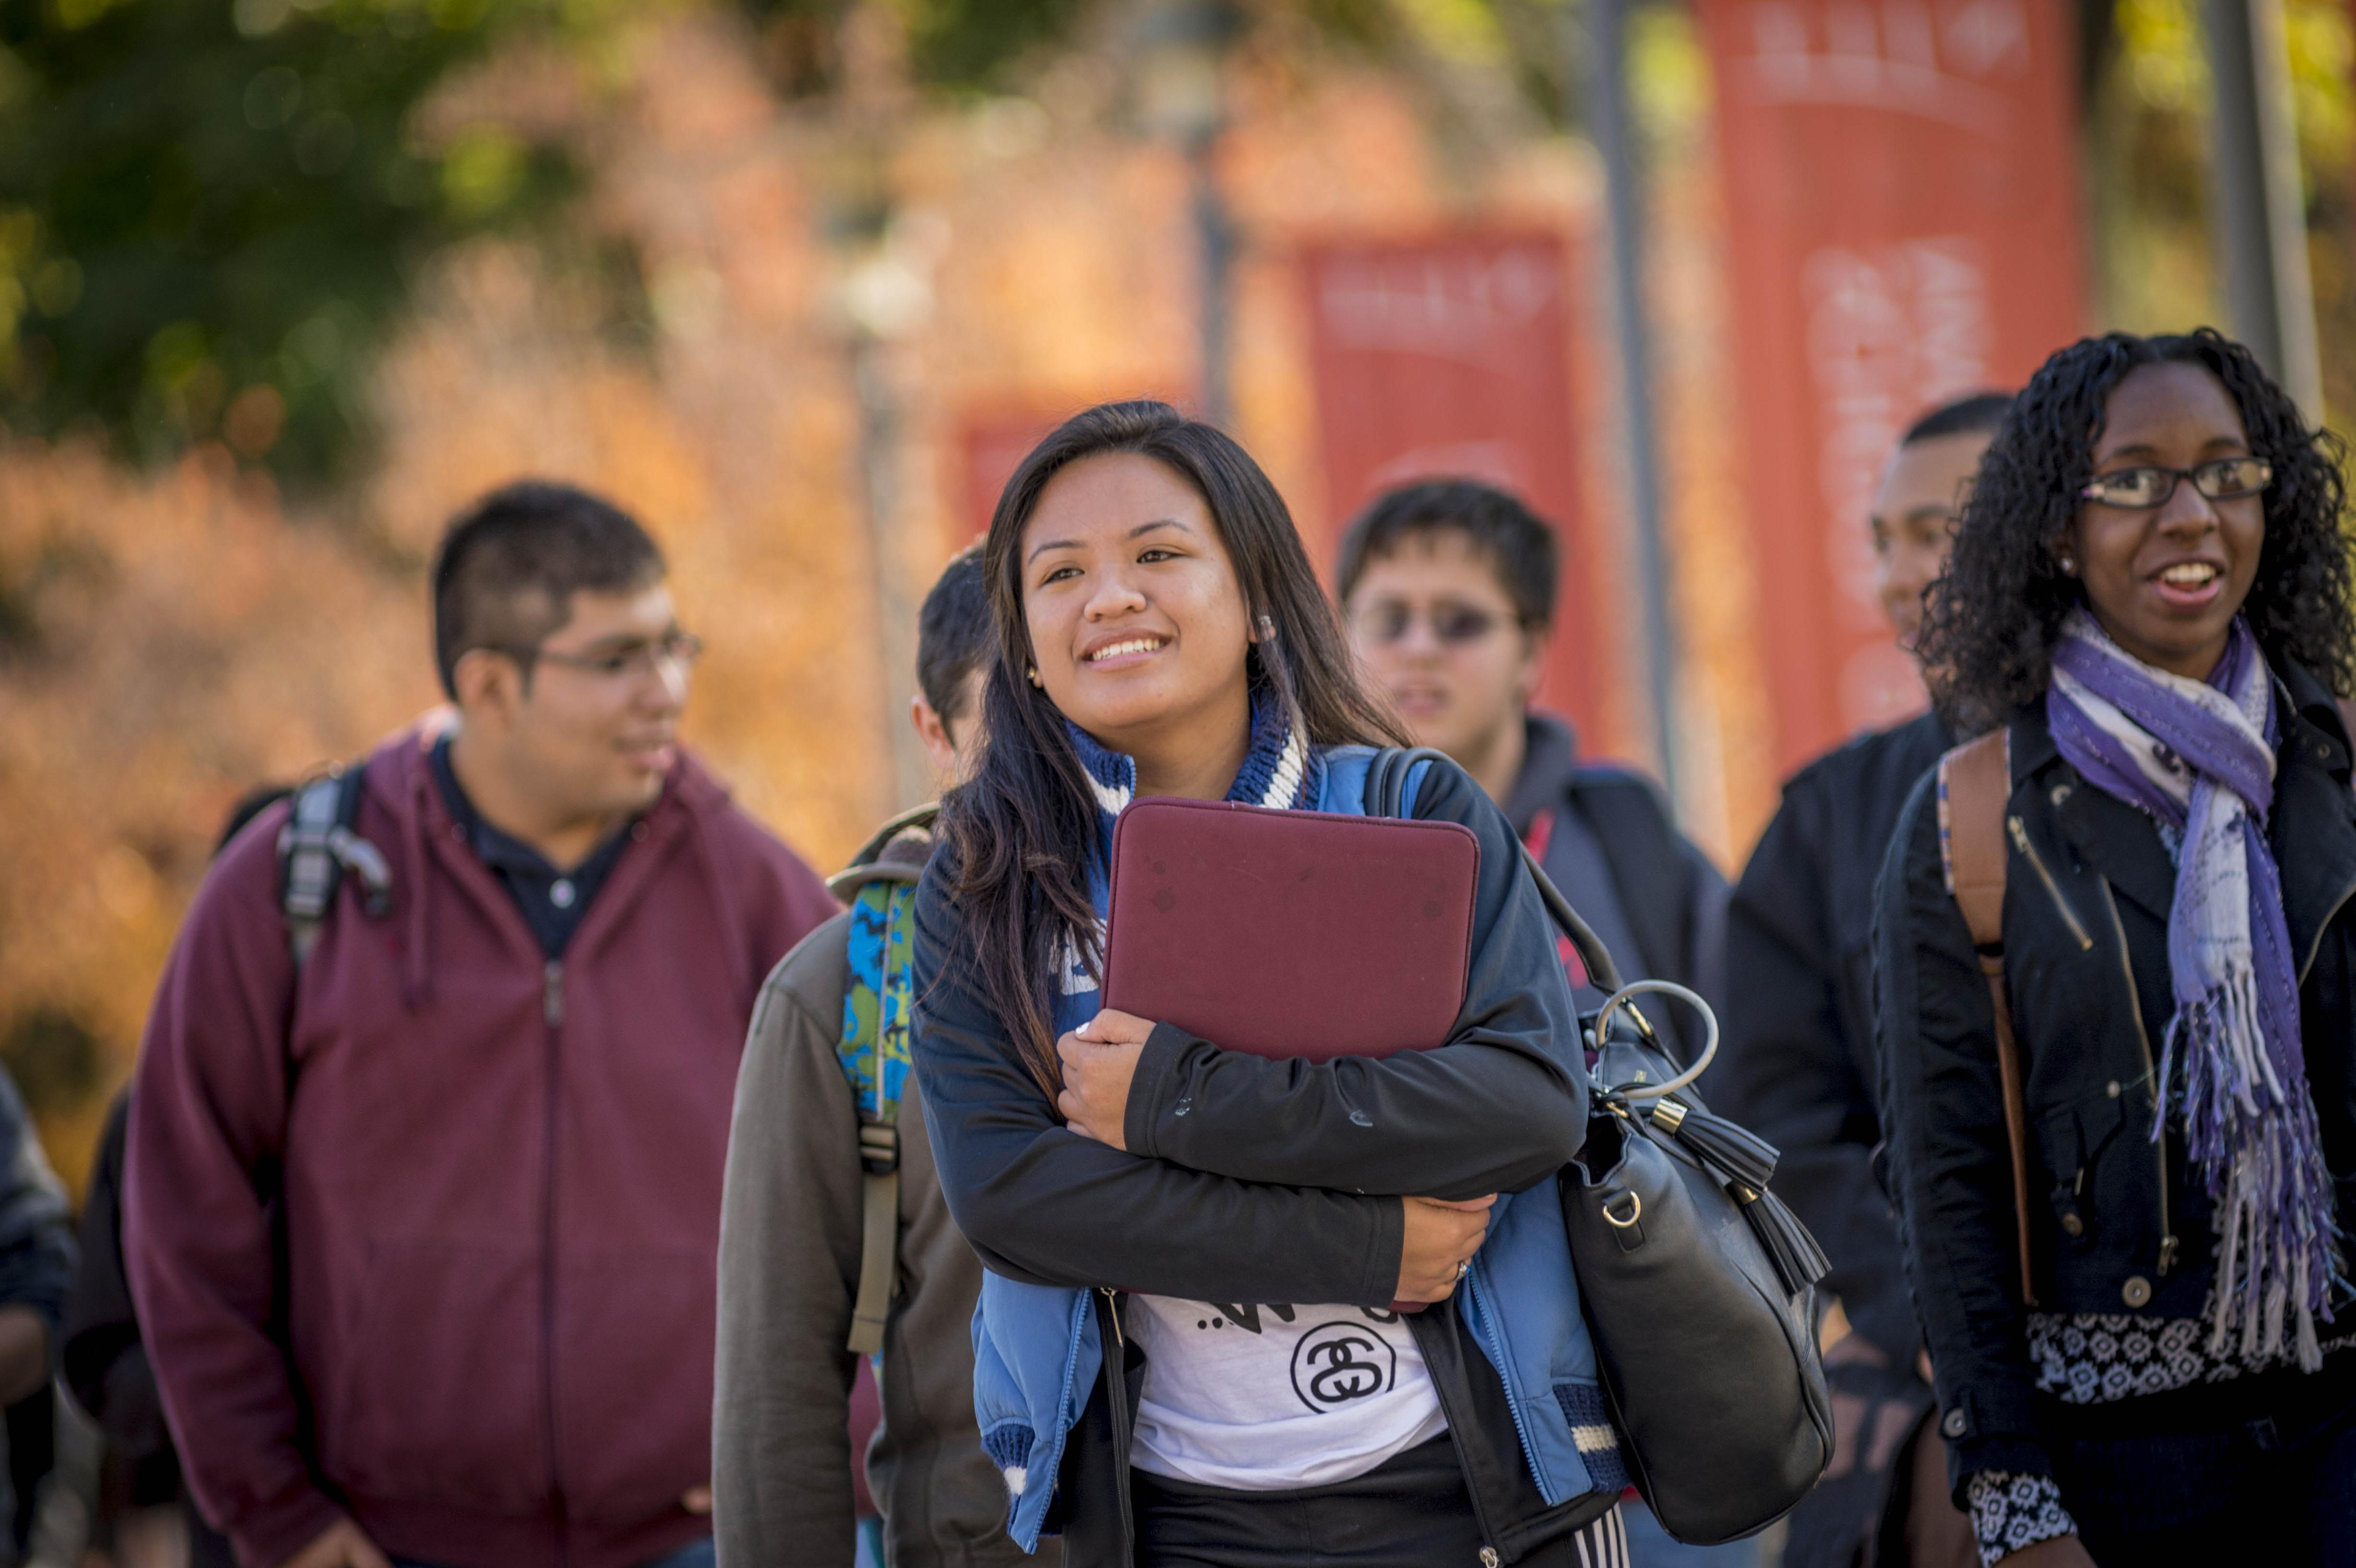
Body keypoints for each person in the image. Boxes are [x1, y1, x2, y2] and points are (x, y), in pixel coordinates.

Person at [911, 400, 1631, 1568]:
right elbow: (1011, 1199)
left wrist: (1169, 1102)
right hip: (1168, 1518)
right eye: (1061, 575)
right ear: (1026, 648)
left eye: (1157, 554)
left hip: (1481, 1490)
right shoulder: (981, 879)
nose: (1110, 597)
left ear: (1254, 598)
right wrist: (1363, 1250)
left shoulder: (1417, 812)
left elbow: (1523, 1105)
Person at [124, 481, 839, 1568]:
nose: (669, 692)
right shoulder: (291, 886)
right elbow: (185, 1216)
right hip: (380, 1544)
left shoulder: (761, 893)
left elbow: (904, 1196)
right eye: (617, 660)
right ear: (490, 686)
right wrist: (275, 1512)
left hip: (693, 1543)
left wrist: (820, 1441)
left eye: (674, 646)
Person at [1875, 329, 2356, 1565]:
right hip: (2116, 1483)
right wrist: (2015, 1500)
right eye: (2134, 480)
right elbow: (1950, 1194)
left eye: (2227, 473)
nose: (2190, 515)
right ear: (2055, 529)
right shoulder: (1968, 818)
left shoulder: (2344, 768)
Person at [1717, 392, 2011, 1568]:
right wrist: (1935, 1315)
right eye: (1883, 541)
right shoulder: (1828, 818)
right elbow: (1777, 1116)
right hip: (1942, 1375)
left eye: (1937, 533)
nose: (1898, 578)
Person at [715, 546, 1051, 1568]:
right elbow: (778, 1386)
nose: (1055, 757)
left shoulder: (1240, 930)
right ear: (935, 735)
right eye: (1012, 723)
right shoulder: (843, 991)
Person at [1334, 480, 1725, 1059]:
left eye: (1459, 622)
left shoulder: (1627, 837)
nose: (1419, 648)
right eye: (1389, 620)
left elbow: (1749, 1075)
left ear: (1531, 655)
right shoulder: (1296, 837)